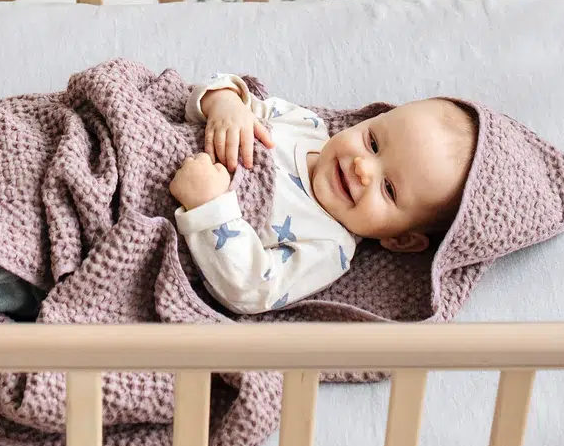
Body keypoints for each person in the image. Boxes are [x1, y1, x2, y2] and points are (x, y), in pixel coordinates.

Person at [170, 74, 477, 316]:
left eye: (389, 189)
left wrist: (208, 206)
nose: (362, 168)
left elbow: (251, 290)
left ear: (401, 240)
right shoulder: (306, 126)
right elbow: (214, 93)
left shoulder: (329, 247)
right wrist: (226, 106)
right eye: (372, 143)